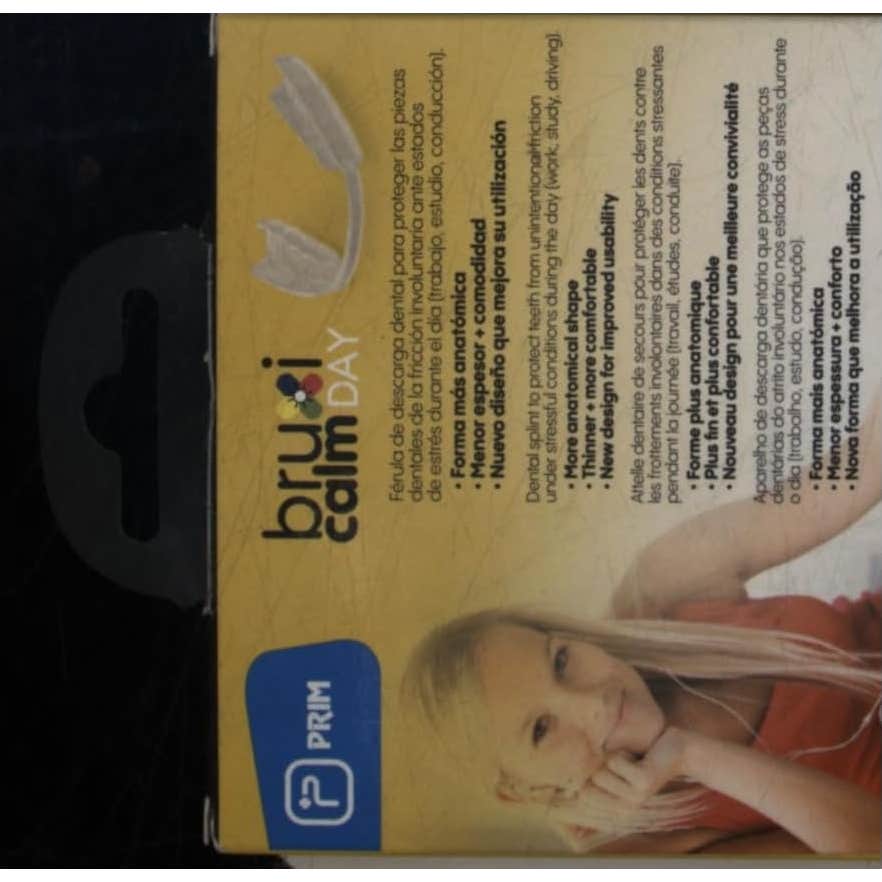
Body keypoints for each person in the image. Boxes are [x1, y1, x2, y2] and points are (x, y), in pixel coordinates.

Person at [402, 392, 882, 854]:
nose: (594, 703)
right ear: (519, 789)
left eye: (562, 661)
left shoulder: (660, 582)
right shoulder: (627, 848)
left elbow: (866, 463)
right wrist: (694, 756)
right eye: (541, 730)